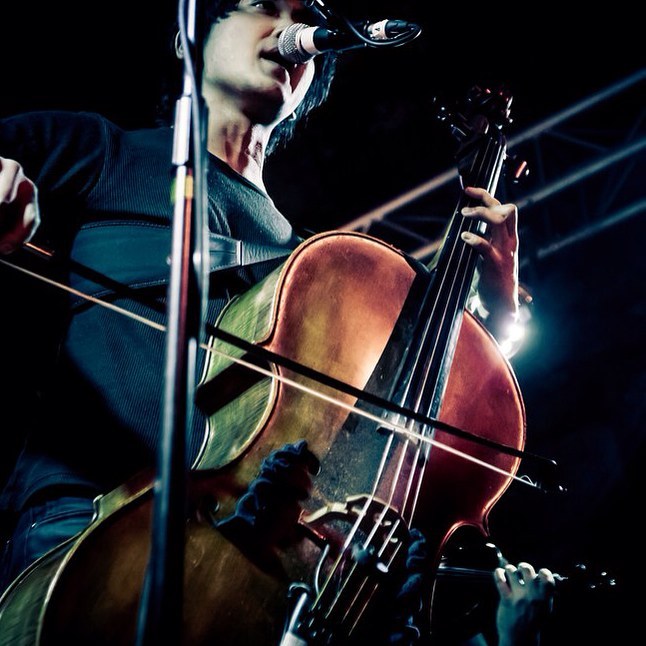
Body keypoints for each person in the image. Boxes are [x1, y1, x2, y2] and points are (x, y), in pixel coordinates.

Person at [0, 0, 522, 642]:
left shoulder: (314, 267)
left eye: (304, 13)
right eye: (260, 6)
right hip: (88, 517)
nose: (290, 28)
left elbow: (424, 417)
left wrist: (497, 305)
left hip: (248, 566)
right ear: (190, 37)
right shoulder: (104, 151)